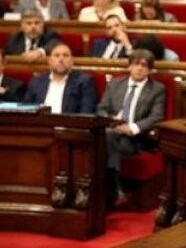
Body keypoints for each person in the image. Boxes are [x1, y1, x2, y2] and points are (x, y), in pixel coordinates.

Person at [98, 49, 166, 206]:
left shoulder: (157, 89)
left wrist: (132, 128)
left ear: (150, 70)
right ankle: (115, 190)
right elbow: (102, 108)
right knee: (108, 136)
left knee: (105, 143)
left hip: (136, 139)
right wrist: (112, 121)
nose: (139, 68)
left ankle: (111, 191)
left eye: (144, 65)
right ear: (129, 67)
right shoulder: (114, 84)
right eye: (136, 64)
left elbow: (156, 116)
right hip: (113, 130)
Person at [24, 42, 97, 114]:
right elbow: (27, 111)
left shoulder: (84, 82)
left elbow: (86, 113)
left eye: (65, 55)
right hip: (41, 124)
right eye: (56, 55)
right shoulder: (36, 82)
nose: (61, 59)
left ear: (72, 61)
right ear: (49, 61)